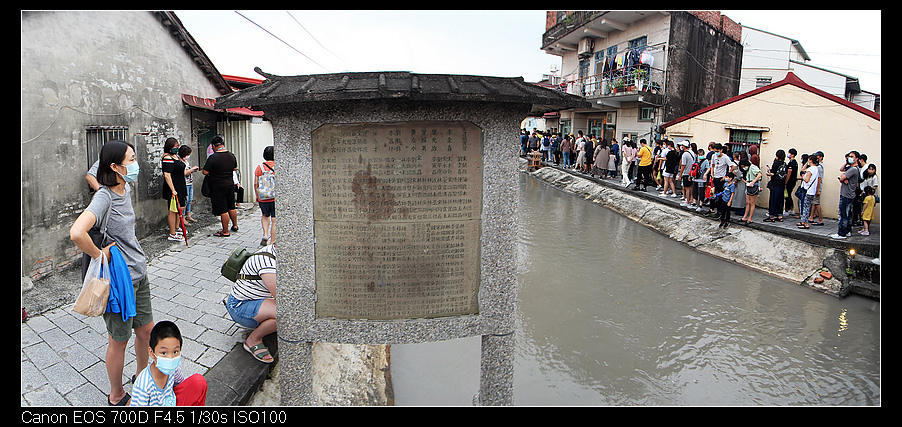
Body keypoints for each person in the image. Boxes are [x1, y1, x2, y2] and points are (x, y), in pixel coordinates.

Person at [69, 140, 153, 406]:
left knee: (147, 331)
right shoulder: (104, 196)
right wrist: (99, 254)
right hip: (119, 282)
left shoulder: (124, 187)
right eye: (131, 160)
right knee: (120, 340)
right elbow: (76, 232)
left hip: (139, 273)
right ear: (115, 166)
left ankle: (141, 377)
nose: (136, 164)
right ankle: (116, 395)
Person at [130, 321, 207, 406]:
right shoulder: (143, 385)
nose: (170, 358)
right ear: (152, 353)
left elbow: (181, 385)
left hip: (171, 402)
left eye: (175, 351)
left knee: (199, 382)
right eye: (163, 353)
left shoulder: (174, 368)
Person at [224, 244, 277, 364]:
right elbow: (283, 298)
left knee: (289, 314)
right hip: (240, 306)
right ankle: (253, 340)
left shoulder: (279, 253)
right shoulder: (268, 262)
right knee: (286, 314)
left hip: (260, 299)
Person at [203, 135, 239, 237]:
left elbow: (205, 172)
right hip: (230, 184)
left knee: (223, 209)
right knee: (231, 206)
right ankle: (235, 225)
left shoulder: (213, 158)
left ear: (214, 146)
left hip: (218, 186)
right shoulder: (231, 155)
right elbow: (234, 168)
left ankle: (225, 231)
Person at [161, 138, 188, 241]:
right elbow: (167, 175)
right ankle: (172, 233)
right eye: (174, 146)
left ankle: (177, 227)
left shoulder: (175, 156)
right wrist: (173, 189)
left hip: (181, 185)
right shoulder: (167, 157)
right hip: (173, 187)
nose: (176, 148)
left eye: (177, 146)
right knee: (172, 210)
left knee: (180, 208)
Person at [831, 150, 860, 239]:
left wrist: (842, 178)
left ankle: (842, 233)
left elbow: (842, 178)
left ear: (856, 159)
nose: (849, 158)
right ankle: (847, 230)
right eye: (849, 156)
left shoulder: (853, 169)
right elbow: (842, 170)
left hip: (847, 194)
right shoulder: (850, 168)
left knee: (844, 214)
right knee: (849, 214)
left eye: (852, 157)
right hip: (849, 194)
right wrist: (846, 163)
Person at [704, 143, 734, 217]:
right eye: (715, 151)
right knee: (712, 193)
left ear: (721, 150)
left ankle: (719, 211)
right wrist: (712, 174)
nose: (716, 152)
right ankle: (711, 209)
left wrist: (726, 175)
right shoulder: (714, 156)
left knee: (720, 195)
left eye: (718, 151)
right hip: (714, 177)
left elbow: (732, 166)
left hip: (721, 178)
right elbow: (712, 166)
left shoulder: (725, 157)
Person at [254, 145, 276, 246]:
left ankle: (265, 234)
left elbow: (256, 184)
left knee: (265, 215)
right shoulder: (278, 166)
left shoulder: (260, 167)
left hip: (263, 197)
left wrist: (257, 195)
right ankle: (272, 241)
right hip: (275, 197)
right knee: (274, 219)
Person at [764, 149, 788, 222]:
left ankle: (772, 216)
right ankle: (780, 215)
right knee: (780, 200)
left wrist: (768, 173)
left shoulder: (776, 163)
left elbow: (773, 173)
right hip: (782, 184)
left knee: (773, 200)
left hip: (775, 184)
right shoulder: (785, 164)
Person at [797, 155, 820, 229]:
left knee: (805, 207)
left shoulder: (810, 169)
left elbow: (806, 179)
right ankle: (803, 221)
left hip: (808, 190)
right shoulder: (815, 168)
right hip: (812, 191)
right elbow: (803, 169)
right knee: (806, 206)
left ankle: (805, 223)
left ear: (810, 160)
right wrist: (807, 164)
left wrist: (803, 177)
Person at [178, 145, 199, 223]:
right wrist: (192, 169)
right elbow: (184, 173)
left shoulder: (186, 162)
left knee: (190, 200)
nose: (188, 156)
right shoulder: (180, 162)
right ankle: (183, 218)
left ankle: (188, 215)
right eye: (187, 154)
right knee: (185, 201)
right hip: (184, 184)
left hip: (190, 182)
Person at [738, 159, 762, 224]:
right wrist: (747, 182)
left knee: (752, 203)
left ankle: (750, 218)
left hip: (753, 185)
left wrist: (753, 182)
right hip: (748, 184)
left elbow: (759, 174)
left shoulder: (753, 167)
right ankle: (745, 217)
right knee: (747, 202)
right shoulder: (747, 170)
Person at [677, 141, 696, 206]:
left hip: (686, 173)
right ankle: (691, 200)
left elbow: (683, 165)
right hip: (692, 173)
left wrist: (680, 175)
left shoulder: (685, 154)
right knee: (691, 187)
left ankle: (687, 201)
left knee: (687, 187)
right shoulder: (692, 153)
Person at [783, 148, 799, 218]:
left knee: (787, 195)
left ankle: (787, 210)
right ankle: (791, 209)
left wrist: (786, 182)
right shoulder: (795, 163)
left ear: (792, 155)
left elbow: (789, 173)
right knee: (789, 195)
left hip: (790, 182)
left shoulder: (791, 163)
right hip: (793, 181)